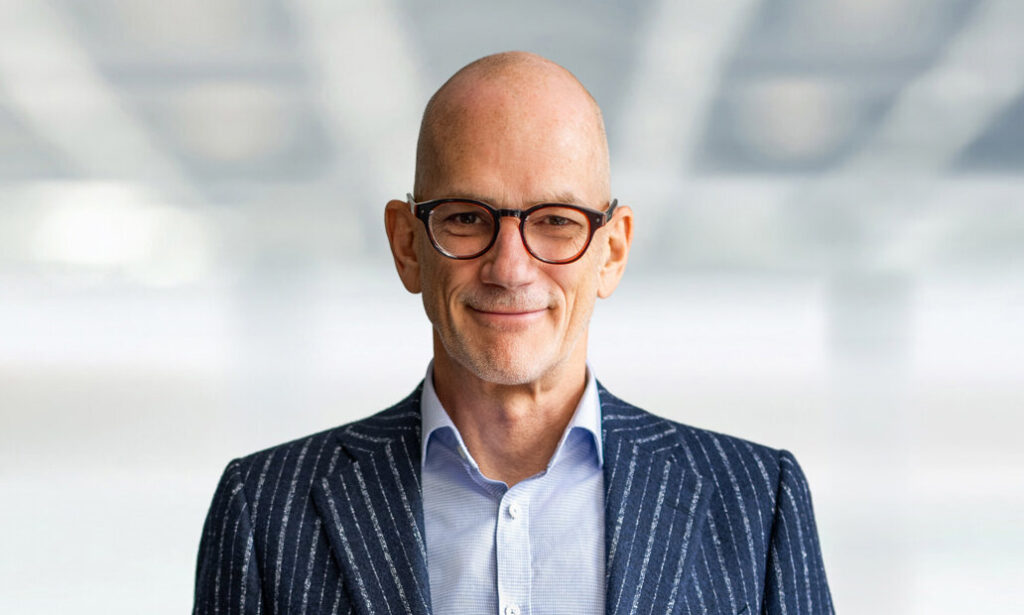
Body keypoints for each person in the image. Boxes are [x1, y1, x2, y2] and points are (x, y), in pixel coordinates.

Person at [193, 51, 833, 615]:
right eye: (467, 218)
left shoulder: (756, 502)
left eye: (556, 221)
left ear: (611, 252)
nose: (509, 268)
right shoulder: (266, 510)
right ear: (407, 246)